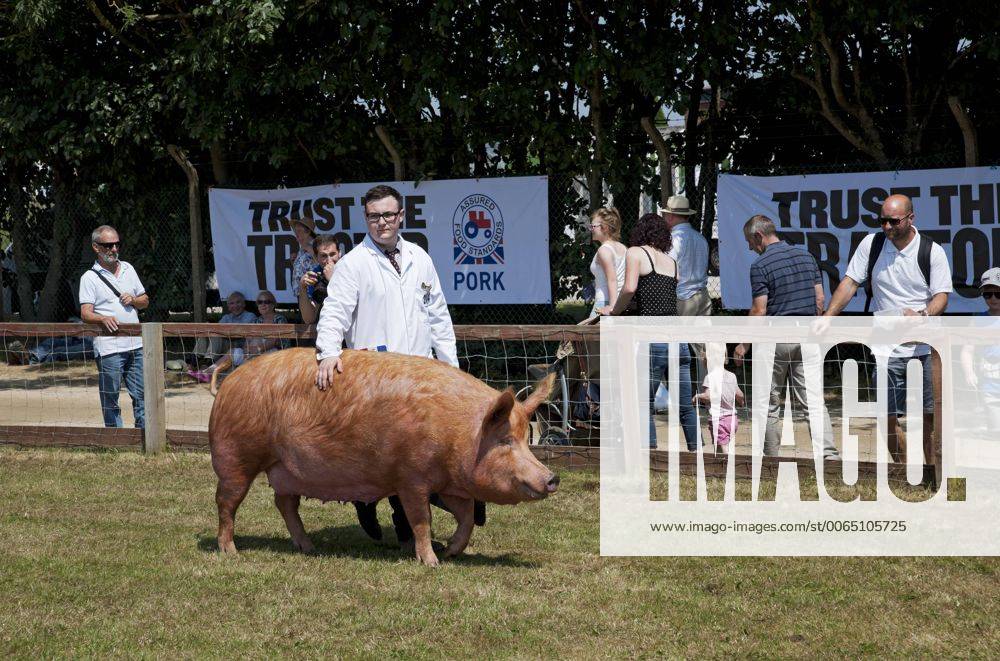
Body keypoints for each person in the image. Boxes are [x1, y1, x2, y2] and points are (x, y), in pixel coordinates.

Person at [315, 184, 465, 545]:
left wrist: (451, 368)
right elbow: (334, 312)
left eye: (387, 215)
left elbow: (438, 316)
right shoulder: (353, 265)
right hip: (376, 379)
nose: (380, 222)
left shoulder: (420, 258)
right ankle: (380, 513)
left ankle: (406, 530)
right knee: (389, 454)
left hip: (420, 375)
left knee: (416, 455)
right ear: (365, 218)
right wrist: (328, 352)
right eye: (373, 216)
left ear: (401, 217)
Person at [823, 193, 951, 468]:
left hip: (926, 346)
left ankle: (932, 474)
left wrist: (923, 315)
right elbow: (849, 283)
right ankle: (905, 472)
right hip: (886, 347)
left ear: (910, 218)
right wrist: (828, 316)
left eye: (893, 221)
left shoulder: (932, 251)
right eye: (882, 221)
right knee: (885, 416)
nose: (887, 227)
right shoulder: (872, 244)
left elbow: (941, 295)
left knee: (930, 416)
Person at [734, 215, 840, 459]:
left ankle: (771, 458)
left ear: (758, 236)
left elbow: (760, 309)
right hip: (807, 335)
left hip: (775, 339)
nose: (750, 247)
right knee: (813, 402)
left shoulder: (760, 266)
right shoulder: (807, 256)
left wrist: (744, 343)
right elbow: (820, 299)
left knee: (769, 403)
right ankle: (829, 456)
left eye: (750, 241)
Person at [606, 212, 699, 450]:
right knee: (685, 403)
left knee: (642, 401)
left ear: (640, 232)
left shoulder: (635, 253)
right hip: (678, 340)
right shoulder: (672, 262)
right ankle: (695, 450)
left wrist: (614, 311)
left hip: (652, 339)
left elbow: (629, 288)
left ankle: (649, 451)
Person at [78, 225, 149, 428]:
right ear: (96, 247)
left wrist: (134, 299)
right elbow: (85, 313)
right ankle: (115, 438)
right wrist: (101, 319)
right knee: (110, 398)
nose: (114, 249)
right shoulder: (89, 278)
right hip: (109, 347)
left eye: (117, 244)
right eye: (108, 245)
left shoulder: (128, 268)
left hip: (135, 344)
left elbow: (145, 301)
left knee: (142, 394)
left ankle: (143, 435)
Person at [208, 290, 288, 394]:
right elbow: (248, 340)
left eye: (267, 302)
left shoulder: (279, 318)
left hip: (277, 355)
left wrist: (256, 349)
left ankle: (234, 382)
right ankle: (208, 372)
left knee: (255, 345)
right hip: (254, 353)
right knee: (233, 352)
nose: (263, 304)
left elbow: (274, 341)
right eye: (260, 302)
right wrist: (247, 350)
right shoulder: (257, 321)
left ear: (273, 304)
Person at [961, 268, 1000, 433]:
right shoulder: (978, 320)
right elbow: (967, 350)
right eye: (987, 294)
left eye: (998, 294)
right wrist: (968, 372)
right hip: (989, 381)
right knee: (995, 427)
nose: (993, 298)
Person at [188, 291, 257, 383]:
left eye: (238, 302)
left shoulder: (250, 316)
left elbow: (238, 334)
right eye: (232, 303)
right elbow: (217, 329)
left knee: (216, 335)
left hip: (239, 345)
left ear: (244, 304)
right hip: (225, 342)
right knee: (206, 334)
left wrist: (220, 331)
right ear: (228, 306)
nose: (235, 306)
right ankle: (191, 365)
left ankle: (206, 365)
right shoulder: (226, 317)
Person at [660, 195, 711, 316]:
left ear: (671, 216)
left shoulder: (672, 240)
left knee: (681, 334)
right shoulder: (700, 238)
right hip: (703, 296)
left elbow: (667, 271)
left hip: (682, 297)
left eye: (666, 215)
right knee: (701, 335)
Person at [693, 351, 744, 450]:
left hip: (719, 420)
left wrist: (697, 396)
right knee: (724, 445)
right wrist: (741, 402)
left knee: (723, 447)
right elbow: (740, 394)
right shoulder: (732, 376)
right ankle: (723, 463)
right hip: (733, 419)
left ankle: (729, 463)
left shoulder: (709, 377)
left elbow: (708, 396)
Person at [588, 207, 627, 316]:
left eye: (593, 226)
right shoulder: (623, 247)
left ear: (604, 228)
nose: (591, 229)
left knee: (593, 333)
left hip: (605, 303)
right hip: (621, 303)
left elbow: (612, 280)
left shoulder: (604, 250)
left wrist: (612, 308)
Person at [298, 235, 341, 324]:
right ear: (316, 257)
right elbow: (309, 319)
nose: (329, 261)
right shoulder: (315, 275)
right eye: (324, 256)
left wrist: (332, 280)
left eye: (332, 254)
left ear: (339, 253)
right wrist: (302, 288)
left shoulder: (351, 270)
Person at [291, 216, 319, 290]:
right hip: (301, 293)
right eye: (295, 231)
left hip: (311, 293)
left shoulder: (317, 245)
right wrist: (295, 262)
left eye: (299, 230)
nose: (296, 233)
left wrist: (311, 250)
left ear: (308, 232)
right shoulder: (302, 248)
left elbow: (322, 266)